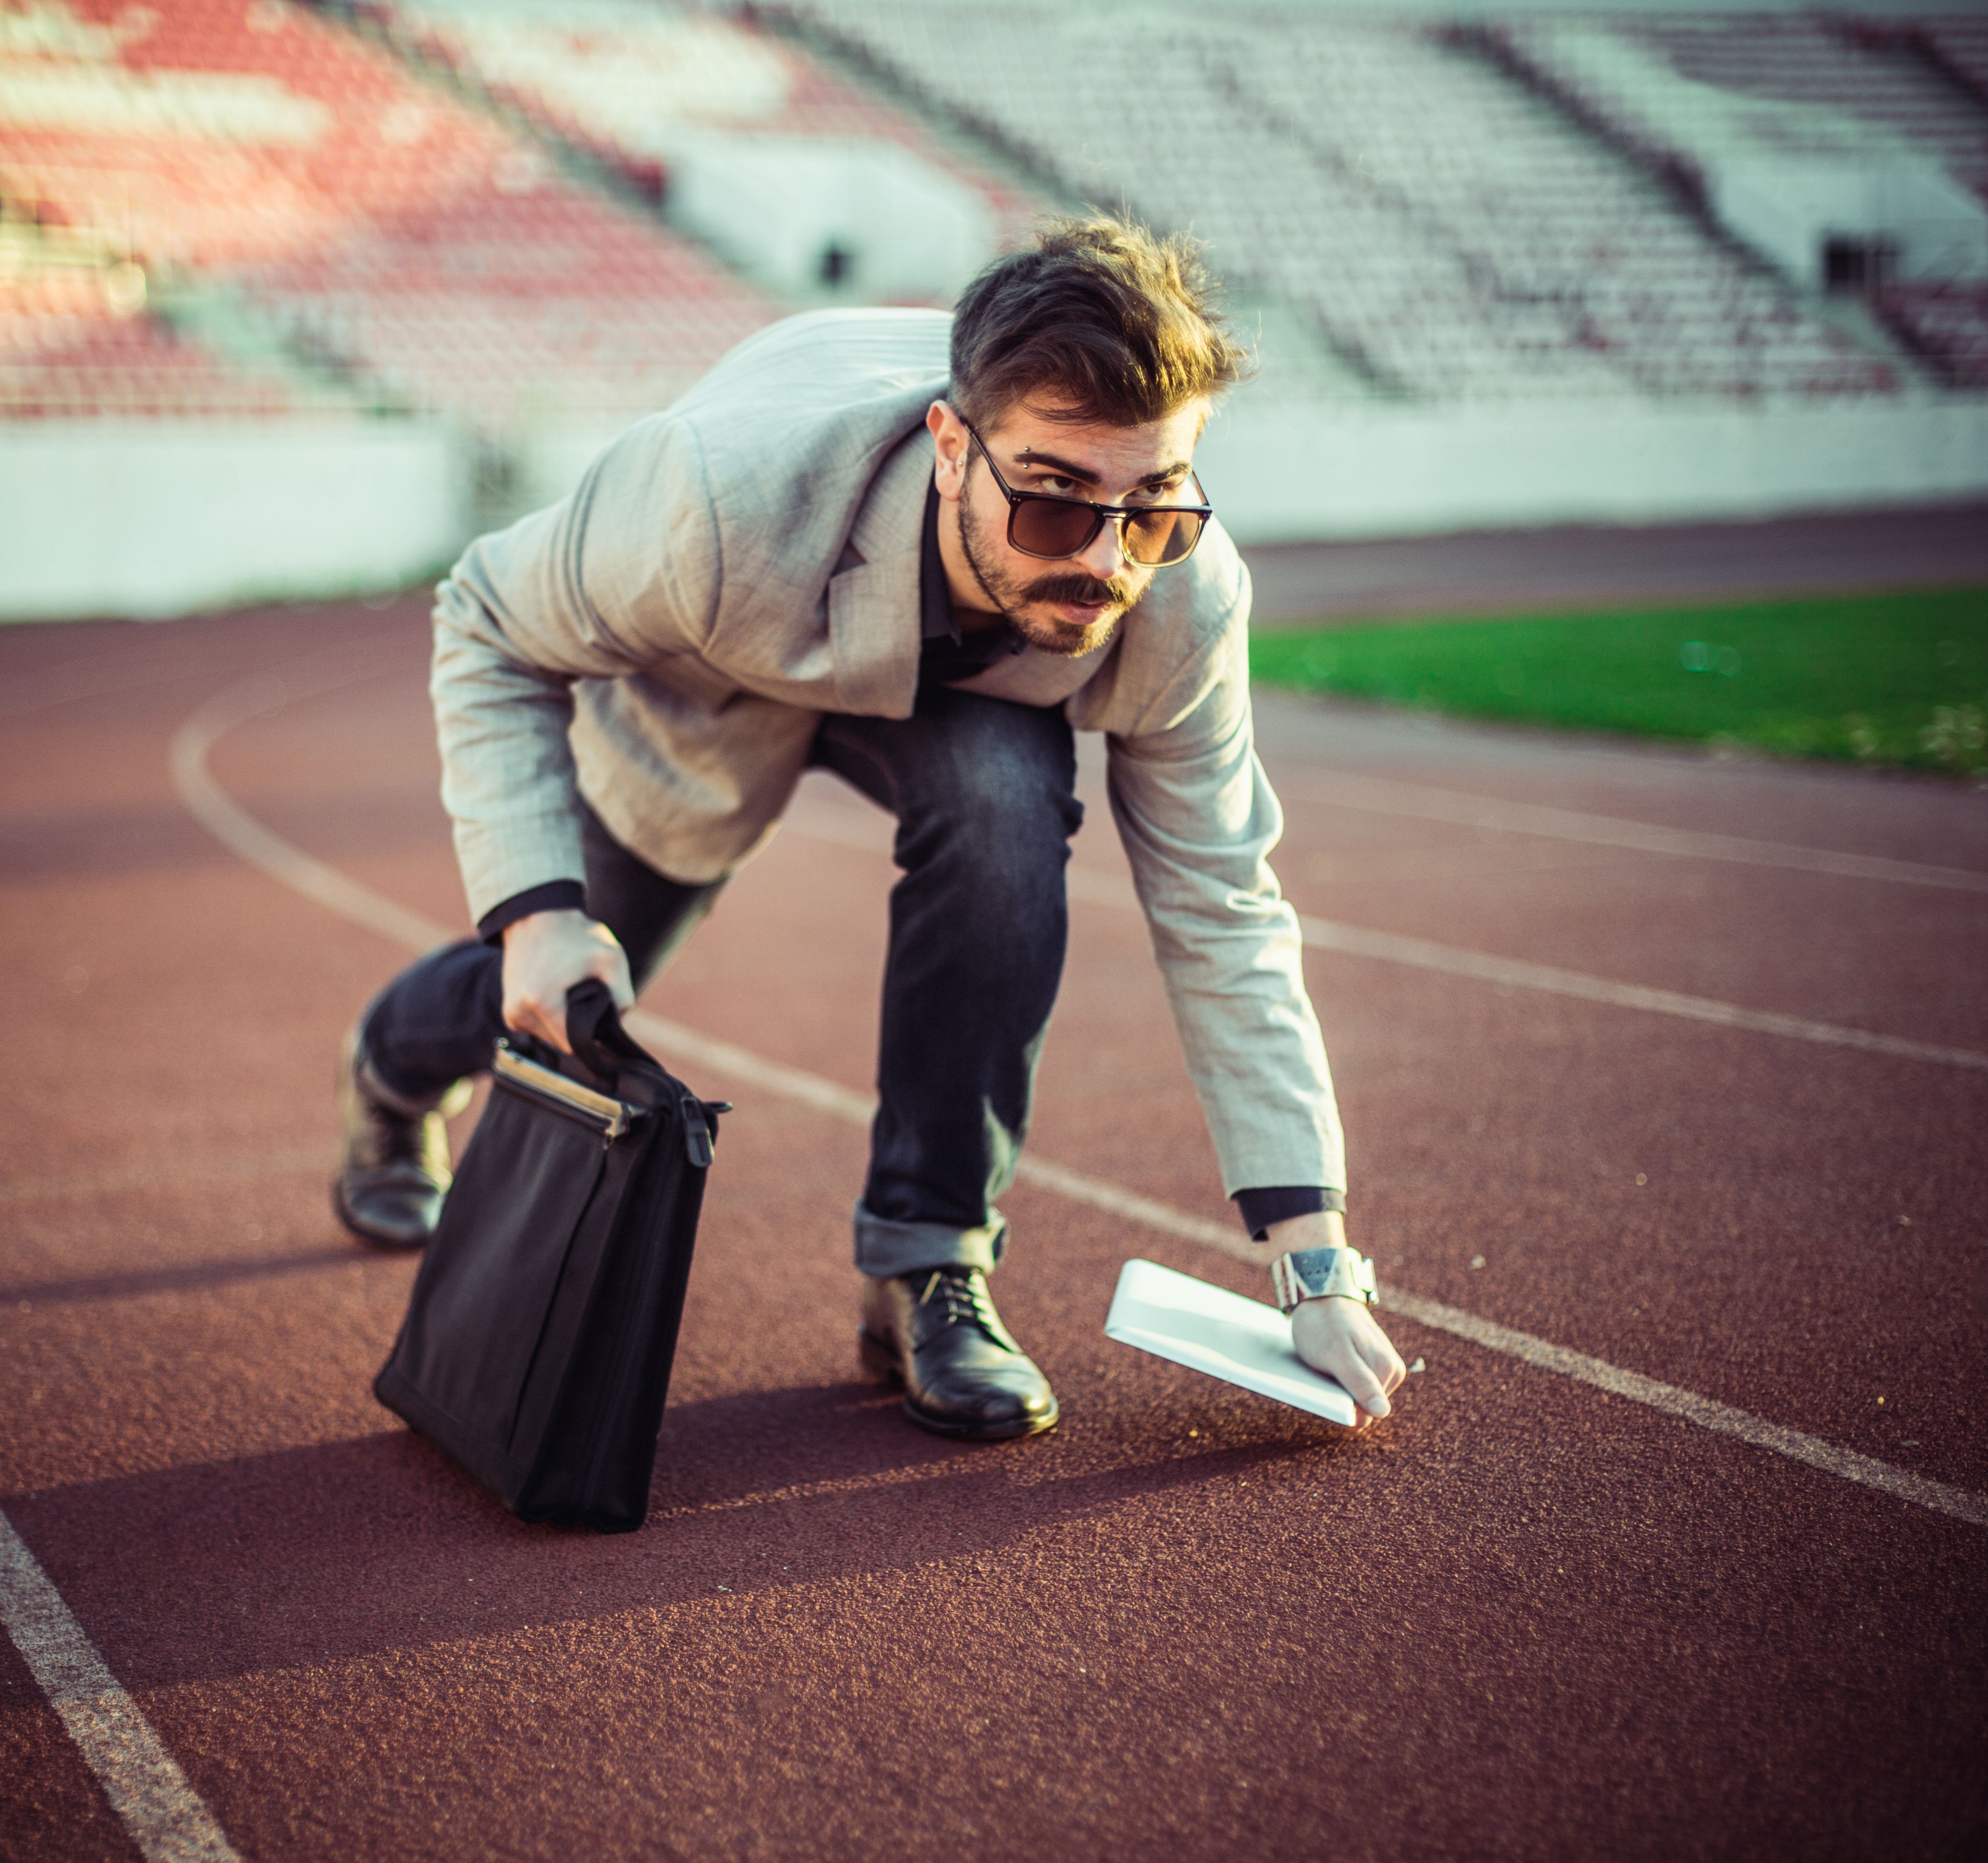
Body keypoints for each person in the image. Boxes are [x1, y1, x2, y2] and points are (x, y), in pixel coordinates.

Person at [334, 216, 1406, 1442]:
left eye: (1153, 503)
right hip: (736, 657)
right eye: (1055, 503)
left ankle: (928, 1266)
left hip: (974, 697)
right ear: (951, 445)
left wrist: (1315, 1266)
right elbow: (485, 616)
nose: (1109, 558)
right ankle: (392, 1064)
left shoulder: (1178, 594)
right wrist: (535, 913)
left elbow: (1225, 905)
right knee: (582, 959)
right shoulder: (708, 499)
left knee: (1007, 817)